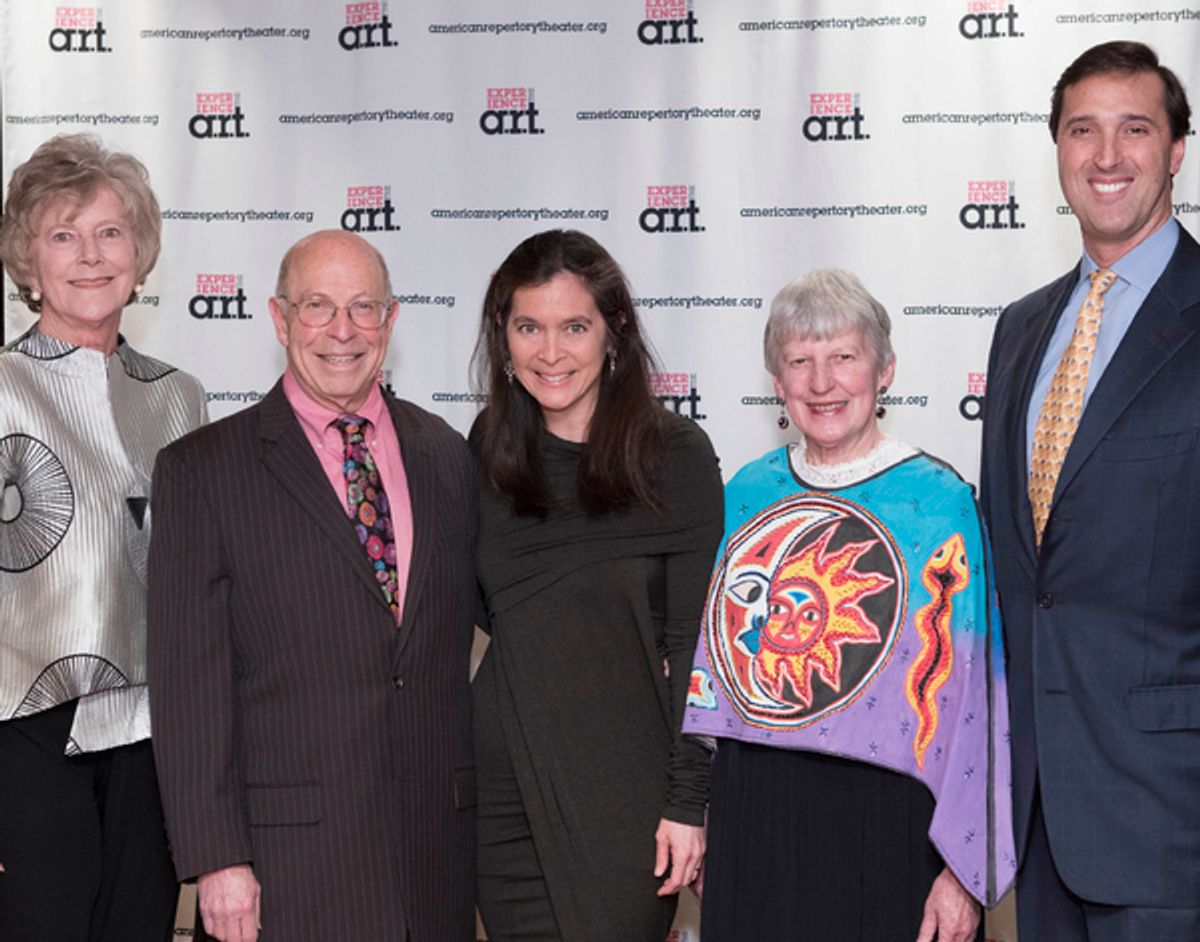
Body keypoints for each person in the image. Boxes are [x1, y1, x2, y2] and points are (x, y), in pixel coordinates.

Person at [146, 230, 478, 942]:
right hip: (284, 871)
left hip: (432, 866)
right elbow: (186, 685)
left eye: (364, 308)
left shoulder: (447, 455)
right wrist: (217, 859)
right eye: (318, 307)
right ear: (278, 318)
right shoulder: (202, 471)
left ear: (391, 321)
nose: (342, 331)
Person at [685, 269, 1013, 942]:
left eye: (843, 357)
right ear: (777, 384)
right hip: (758, 811)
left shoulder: (939, 499)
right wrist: (708, 818)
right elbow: (716, 671)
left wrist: (963, 869)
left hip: (890, 820)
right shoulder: (748, 492)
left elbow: (978, 699)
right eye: (799, 362)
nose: (821, 381)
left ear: (884, 370)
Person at [980, 41, 1200, 940]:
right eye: (1083, 131)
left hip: (1169, 820)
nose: (1107, 157)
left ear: (1177, 150)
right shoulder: (1021, 328)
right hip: (1036, 818)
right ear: (1059, 151)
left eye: (1134, 129)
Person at [470, 229, 723, 941]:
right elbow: (482, 609)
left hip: (630, 801)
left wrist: (688, 802)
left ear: (613, 332)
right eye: (529, 327)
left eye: (574, 326)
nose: (551, 352)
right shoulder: (488, 448)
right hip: (504, 790)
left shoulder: (673, 456)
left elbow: (698, 648)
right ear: (503, 336)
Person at [0, 134, 206, 940]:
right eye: (62, 235)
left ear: (140, 253)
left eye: (110, 233)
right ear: (27, 261)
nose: (90, 256)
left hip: (154, 731)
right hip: (25, 728)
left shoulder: (180, 397)